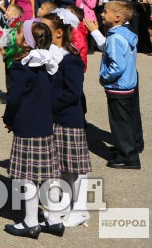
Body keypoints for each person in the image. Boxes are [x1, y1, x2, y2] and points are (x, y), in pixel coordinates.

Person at [3, 22, 61, 239]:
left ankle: (30, 222)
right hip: (45, 122)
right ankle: (54, 219)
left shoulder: (21, 66)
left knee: (28, 175)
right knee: (49, 174)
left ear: (27, 41)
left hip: (26, 124)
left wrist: (8, 119)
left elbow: (14, 98)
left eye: (19, 32)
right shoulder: (49, 62)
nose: (16, 34)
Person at [39, 13, 92, 229]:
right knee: (61, 166)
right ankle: (65, 203)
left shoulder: (71, 59)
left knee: (76, 166)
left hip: (69, 118)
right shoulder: (45, 56)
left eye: (45, 29)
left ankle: (81, 209)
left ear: (59, 32)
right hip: (53, 118)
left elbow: (73, 92)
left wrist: (47, 106)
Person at [94, 0, 141, 169]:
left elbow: (117, 66)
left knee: (119, 123)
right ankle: (125, 147)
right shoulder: (125, 33)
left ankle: (128, 157)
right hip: (126, 84)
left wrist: (104, 77)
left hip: (118, 86)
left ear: (117, 17)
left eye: (105, 11)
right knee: (125, 121)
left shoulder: (114, 37)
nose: (102, 14)